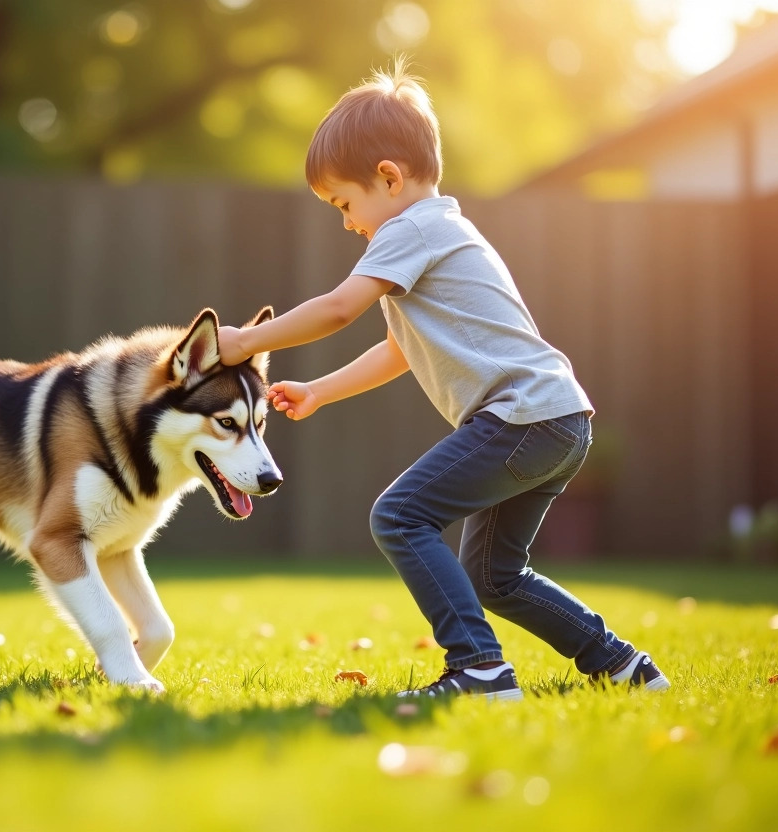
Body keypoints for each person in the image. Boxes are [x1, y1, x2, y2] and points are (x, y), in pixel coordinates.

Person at [216, 64, 669, 699]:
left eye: (346, 204)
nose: (348, 223)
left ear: (390, 178)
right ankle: (624, 666)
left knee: (400, 514)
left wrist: (245, 340)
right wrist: (319, 390)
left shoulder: (412, 228)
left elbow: (338, 308)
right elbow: (400, 349)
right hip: (555, 421)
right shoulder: (441, 231)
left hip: (521, 418)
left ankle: (480, 669)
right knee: (495, 575)